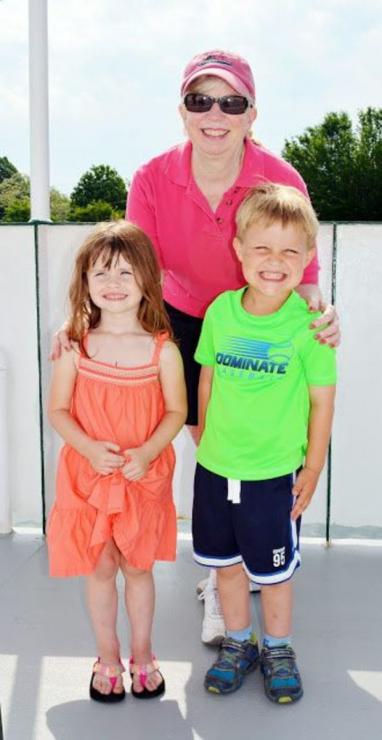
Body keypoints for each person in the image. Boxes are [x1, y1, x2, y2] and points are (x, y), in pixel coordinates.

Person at [52, 49, 341, 645]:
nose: (215, 113)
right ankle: (221, 572)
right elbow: (132, 263)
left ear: (251, 113)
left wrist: (322, 313)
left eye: (231, 102)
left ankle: (270, 555)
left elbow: (306, 271)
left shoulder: (282, 178)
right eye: (199, 100)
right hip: (185, 317)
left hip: (261, 320)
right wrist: (78, 317)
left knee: (270, 436)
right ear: (182, 112)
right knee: (209, 440)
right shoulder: (153, 178)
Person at [192, 182, 336, 704]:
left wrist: (313, 469)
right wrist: (207, 437)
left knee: (272, 575)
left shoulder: (310, 328)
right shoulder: (220, 312)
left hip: (274, 476)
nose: (274, 262)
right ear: (239, 250)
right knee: (226, 567)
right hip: (215, 470)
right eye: (262, 249)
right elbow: (207, 379)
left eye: (289, 251)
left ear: (308, 258)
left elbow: (323, 402)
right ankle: (239, 642)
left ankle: (277, 648)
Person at [47, 221, 187, 703]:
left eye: (126, 272)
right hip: (87, 477)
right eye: (101, 272)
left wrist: (147, 452)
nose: (113, 283)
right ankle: (107, 656)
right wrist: (87, 447)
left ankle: (143, 654)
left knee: (138, 566)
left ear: (148, 280)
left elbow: (176, 411)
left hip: (142, 477)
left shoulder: (162, 349)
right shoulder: (75, 346)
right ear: (84, 281)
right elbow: (59, 411)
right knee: (101, 566)